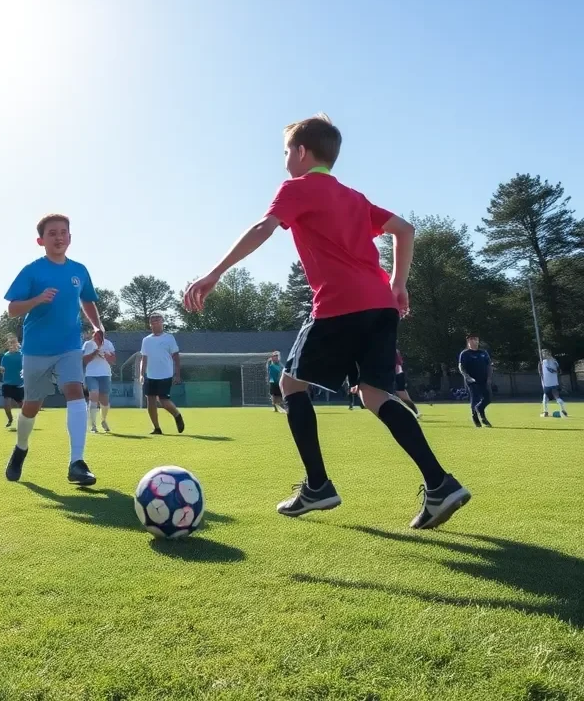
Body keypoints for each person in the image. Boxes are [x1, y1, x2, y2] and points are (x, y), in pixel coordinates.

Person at [184, 114, 469, 531]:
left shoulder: (296, 188)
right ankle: (440, 483)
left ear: (301, 152)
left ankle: (317, 486)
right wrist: (397, 284)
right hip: (380, 306)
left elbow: (264, 226)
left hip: (339, 305)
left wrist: (215, 273)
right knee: (375, 396)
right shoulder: (353, 197)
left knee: (289, 385)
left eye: (286, 152)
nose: (284, 160)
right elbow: (405, 230)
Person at [3, 213, 105, 486]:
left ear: (70, 237)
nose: (59, 237)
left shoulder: (79, 271)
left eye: (63, 232)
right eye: (52, 233)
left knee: (75, 391)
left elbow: (88, 301)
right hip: (36, 349)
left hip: (69, 346)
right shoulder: (32, 271)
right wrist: (37, 299)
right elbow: (12, 309)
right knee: (31, 406)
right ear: (41, 240)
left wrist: (97, 325)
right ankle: (21, 448)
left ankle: (77, 463)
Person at [140, 314, 184, 434]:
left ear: (162, 322)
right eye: (152, 321)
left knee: (163, 401)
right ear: (150, 324)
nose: (155, 322)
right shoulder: (146, 340)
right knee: (150, 400)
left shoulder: (169, 338)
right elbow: (144, 358)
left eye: (158, 320)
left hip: (165, 374)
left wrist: (177, 374)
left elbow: (176, 356)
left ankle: (177, 415)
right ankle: (157, 428)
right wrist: (141, 374)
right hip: (150, 375)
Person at [82, 330, 116, 432]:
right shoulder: (88, 344)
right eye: (96, 335)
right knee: (94, 396)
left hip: (105, 374)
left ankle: (103, 420)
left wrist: (106, 355)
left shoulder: (108, 343)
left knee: (104, 401)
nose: (98, 337)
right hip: (91, 374)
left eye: (100, 335)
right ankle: (93, 425)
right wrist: (94, 353)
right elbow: (84, 360)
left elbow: (113, 360)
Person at [458, 334, 493, 428]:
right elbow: (461, 367)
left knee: (488, 398)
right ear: (468, 341)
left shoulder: (483, 353)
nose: (474, 341)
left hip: (483, 379)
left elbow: (489, 365)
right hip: (472, 380)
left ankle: (479, 409)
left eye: (475, 339)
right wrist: (468, 377)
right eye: (471, 339)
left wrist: (489, 378)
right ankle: (476, 418)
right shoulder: (465, 353)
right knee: (475, 398)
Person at [0, 335, 24, 428]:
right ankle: (10, 419)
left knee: (21, 404)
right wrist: (2, 370)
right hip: (7, 383)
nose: (12, 345)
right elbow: (3, 369)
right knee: (6, 404)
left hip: (19, 383)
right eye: (10, 343)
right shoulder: (5, 356)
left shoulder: (22, 355)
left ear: (17, 344)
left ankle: (26, 419)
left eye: (14, 343)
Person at [539, 348, 569, 418]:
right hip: (548, 384)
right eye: (543, 353)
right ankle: (546, 412)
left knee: (554, 397)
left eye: (545, 353)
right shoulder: (542, 362)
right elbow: (541, 372)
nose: (544, 354)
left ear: (549, 353)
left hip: (552, 383)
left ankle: (562, 411)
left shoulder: (553, 361)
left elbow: (558, 371)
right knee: (547, 398)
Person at [394, 349, 420, 418]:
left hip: (397, 375)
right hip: (394, 374)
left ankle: (416, 412)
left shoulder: (393, 350)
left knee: (403, 397)